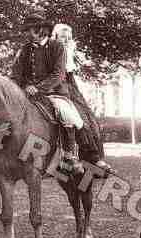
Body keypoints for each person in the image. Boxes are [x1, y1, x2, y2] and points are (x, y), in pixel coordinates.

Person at [11, 13, 113, 175]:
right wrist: (26, 86)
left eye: (30, 30)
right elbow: (15, 75)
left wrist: (38, 88)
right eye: (26, 31)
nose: (27, 34)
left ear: (41, 30)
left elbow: (58, 75)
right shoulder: (23, 50)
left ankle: (81, 156)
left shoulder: (57, 47)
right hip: (28, 95)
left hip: (54, 93)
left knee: (69, 115)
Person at [51, 23, 114, 175]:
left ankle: (93, 159)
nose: (65, 40)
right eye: (62, 37)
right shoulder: (52, 51)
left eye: (68, 38)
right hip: (57, 87)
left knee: (90, 119)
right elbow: (55, 76)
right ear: (55, 37)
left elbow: (70, 77)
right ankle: (70, 158)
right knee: (75, 118)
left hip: (70, 87)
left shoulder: (68, 52)